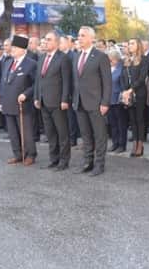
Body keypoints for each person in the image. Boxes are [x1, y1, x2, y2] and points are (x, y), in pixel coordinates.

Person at [72, 26, 112, 177]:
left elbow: (107, 82)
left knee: (99, 135)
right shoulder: (77, 56)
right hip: (79, 102)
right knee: (86, 135)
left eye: (83, 35)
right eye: (79, 35)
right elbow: (76, 80)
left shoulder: (100, 56)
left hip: (96, 103)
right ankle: (88, 162)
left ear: (91, 38)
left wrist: (105, 102)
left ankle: (99, 164)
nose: (79, 38)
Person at [34, 31, 72, 170]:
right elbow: (38, 80)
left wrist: (65, 99)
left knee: (62, 133)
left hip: (57, 102)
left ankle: (64, 161)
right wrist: (37, 97)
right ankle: (54, 159)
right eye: (45, 39)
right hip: (44, 101)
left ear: (56, 42)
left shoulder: (63, 58)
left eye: (49, 39)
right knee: (50, 133)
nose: (46, 42)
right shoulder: (42, 57)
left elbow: (67, 81)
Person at [0, 35, 38, 166]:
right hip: (8, 102)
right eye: (12, 47)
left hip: (23, 104)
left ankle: (30, 154)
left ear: (23, 49)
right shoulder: (8, 62)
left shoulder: (31, 64)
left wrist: (26, 94)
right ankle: (18, 154)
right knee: (12, 132)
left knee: (26, 132)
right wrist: (1, 101)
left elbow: (36, 84)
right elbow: (3, 83)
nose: (12, 49)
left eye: (15, 47)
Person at [120, 38, 149, 157]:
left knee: (139, 119)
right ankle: (135, 143)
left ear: (138, 45)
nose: (130, 45)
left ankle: (140, 144)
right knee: (132, 120)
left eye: (132, 43)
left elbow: (142, 78)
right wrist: (125, 91)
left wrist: (131, 90)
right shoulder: (126, 60)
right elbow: (122, 77)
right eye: (129, 44)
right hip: (128, 94)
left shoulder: (144, 59)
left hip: (139, 93)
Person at [107, 48, 128, 153]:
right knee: (113, 123)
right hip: (109, 100)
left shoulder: (122, 69)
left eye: (111, 59)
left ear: (116, 59)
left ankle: (122, 144)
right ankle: (115, 143)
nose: (109, 61)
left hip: (118, 100)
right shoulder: (108, 69)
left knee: (121, 124)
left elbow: (124, 85)